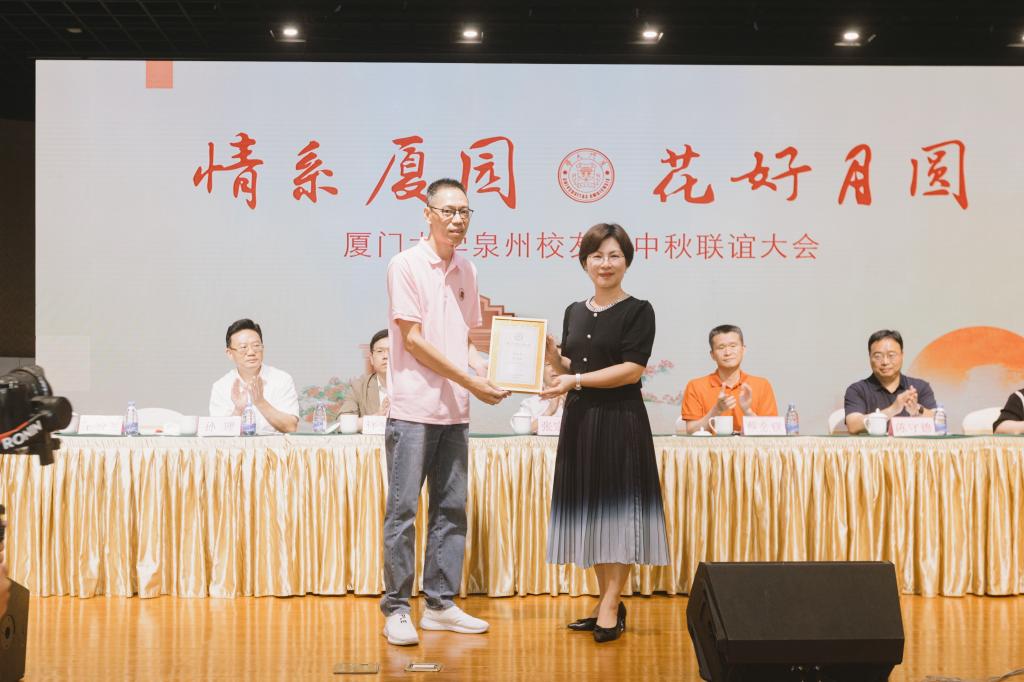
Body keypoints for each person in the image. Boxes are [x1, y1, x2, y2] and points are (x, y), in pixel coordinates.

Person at [380, 178, 510, 647]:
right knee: (403, 512)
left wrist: (488, 370)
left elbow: (465, 341)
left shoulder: (467, 269)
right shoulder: (405, 265)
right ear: (428, 213)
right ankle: (397, 608)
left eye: (464, 212)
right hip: (414, 409)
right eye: (449, 211)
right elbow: (413, 341)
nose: (457, 220)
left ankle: (438, 605)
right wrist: (471, 380)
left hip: (455, 411)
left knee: (451, 509)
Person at [540, 222, 669, 644]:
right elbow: (572, 367)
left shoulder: (639, 310)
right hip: (580, 422)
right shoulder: (574, 311)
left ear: (627, 262)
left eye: (614, 255)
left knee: (620, 514)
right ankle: (604, 600)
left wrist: (574, 380)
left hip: (620, 420)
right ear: (585, 263)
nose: (605, 263)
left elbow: (631, 370)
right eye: (597, 256)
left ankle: (612, 604)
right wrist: (552, 358)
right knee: (593, 512)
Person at [681, 325, 778, 434]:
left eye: (733, 346)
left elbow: (772, 432)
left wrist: (747, 411)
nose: (728, 352)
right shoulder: (695, 386)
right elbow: (691, 431)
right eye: (721, 347)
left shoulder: (762, 385)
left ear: (743, 350)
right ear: (712, 355)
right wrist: (716, 410)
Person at [209, 318, 300, 434]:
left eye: (256, 346)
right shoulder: (221, 386)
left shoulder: (282, 379)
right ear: (230, 353)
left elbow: (291, 427)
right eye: (243, 347)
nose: (251, 352)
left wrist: (260, 402)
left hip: (275, 446)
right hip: (237, 446)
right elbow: (217, 435)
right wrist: (238, 410)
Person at [844, 329, 937, 434]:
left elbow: (938, 422)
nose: (885, 362)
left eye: (891, 355)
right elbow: (853, 425)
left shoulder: (920, 387)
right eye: (878, 356)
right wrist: (893, 409)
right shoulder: (857, 390)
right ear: (869, 357)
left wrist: (917, 410)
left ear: (902, 355)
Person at [340, 329, 390, 429]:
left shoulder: (414, 386)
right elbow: (343, 424)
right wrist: (377, 417)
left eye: (391, 351)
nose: (385, 356)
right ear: (371, 358)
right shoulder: (358, 387)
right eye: (380, 351)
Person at [510, 362, 565, 433]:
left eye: (558, 363)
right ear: (541, 371)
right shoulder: (529, 403)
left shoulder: (575, 401)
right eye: (548, 364)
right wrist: (548, 412)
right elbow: (520, 432)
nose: (554, 368)